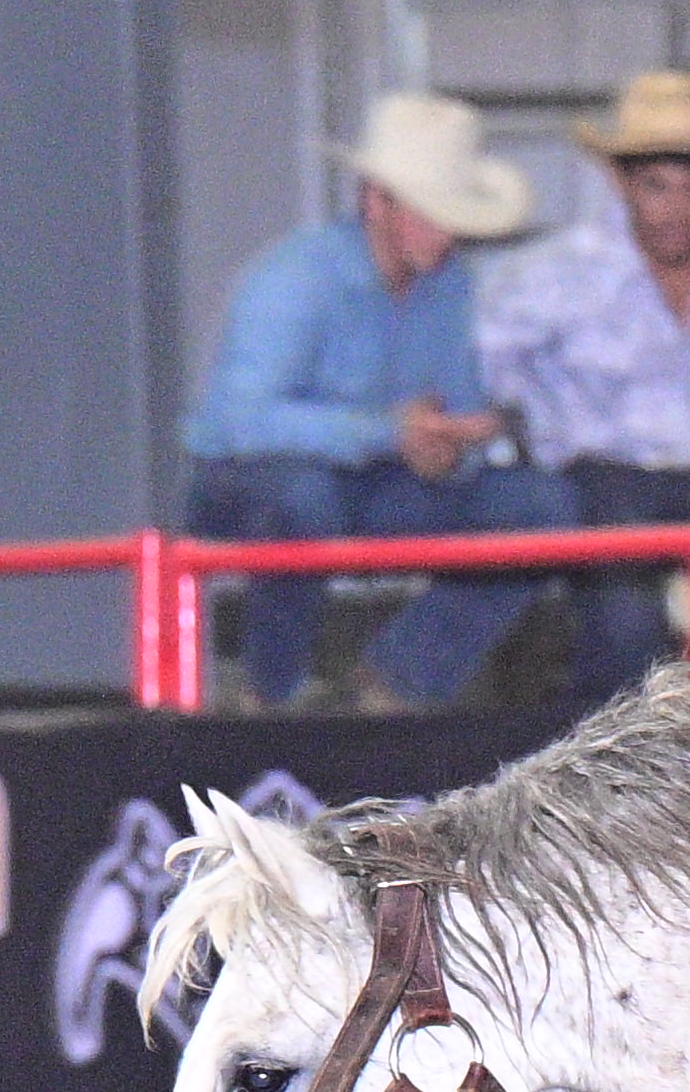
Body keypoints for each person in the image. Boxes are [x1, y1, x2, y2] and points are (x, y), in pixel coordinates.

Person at [178, 90, 575, 709]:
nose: (446, 234)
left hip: (370, 481)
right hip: (254, 484)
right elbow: (235, 422)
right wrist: (390, 434)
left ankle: (394, 683)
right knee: (300, 498)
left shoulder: (448, 286)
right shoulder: (296, 278)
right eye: (432, 212)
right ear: (374, 200)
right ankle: (269, 691)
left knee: (545, 508)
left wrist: (448, 453)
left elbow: (453, 406)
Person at [476, 66, 690, 705]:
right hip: (607, 481)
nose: (677, 211)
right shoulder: (549, 275)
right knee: (626, 636)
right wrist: (547, 451)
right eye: (657, 187)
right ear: (620, 181)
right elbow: (495, 372)